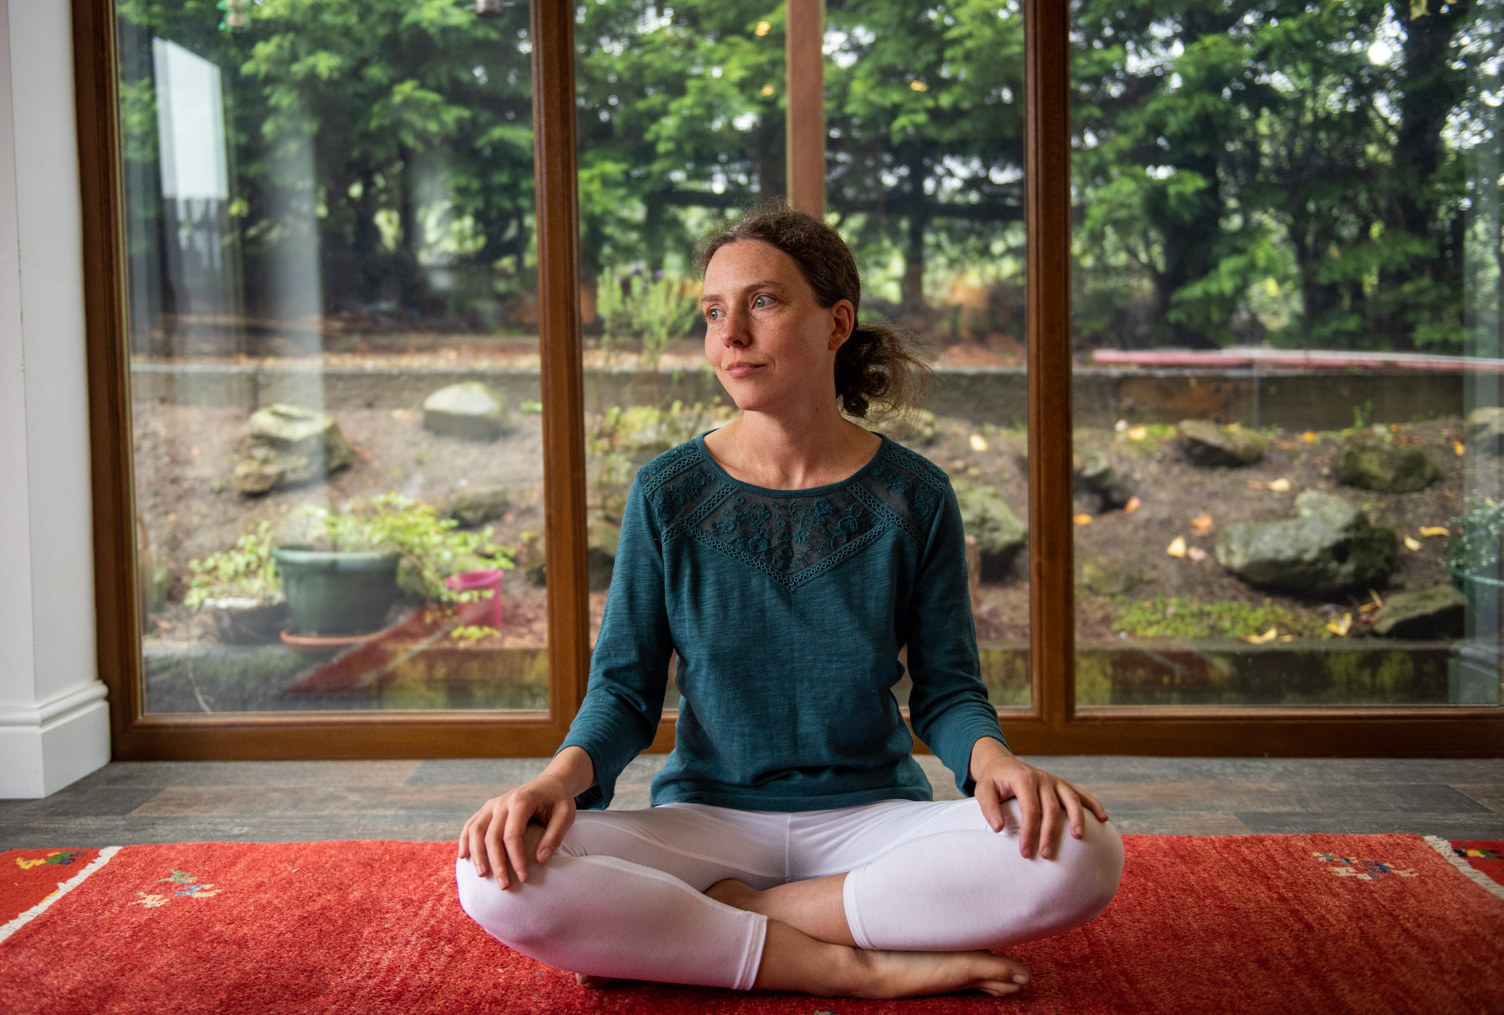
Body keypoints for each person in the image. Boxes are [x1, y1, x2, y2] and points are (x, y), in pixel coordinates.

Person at [456, 208, 1123, 1000]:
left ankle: (723, 923)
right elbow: (626, 691)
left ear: (836, 322)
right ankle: (844, 963)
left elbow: (946, 689)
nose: (729, 334)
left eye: (762, 303)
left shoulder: (915, 497)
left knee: (1086, 851)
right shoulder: (667, 492)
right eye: (712, 312)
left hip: (874, 819)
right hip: (705, 823)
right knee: (494, 875)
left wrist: (997, 766)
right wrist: (555, 782)